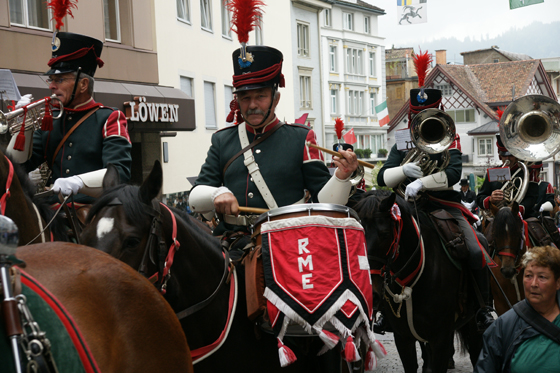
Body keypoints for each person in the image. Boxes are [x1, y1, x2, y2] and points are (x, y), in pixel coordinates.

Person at [189, 46, 358, 237]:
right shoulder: (222, 140)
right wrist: (216, 194)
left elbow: (324, 201)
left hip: (287, 242)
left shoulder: (301, 138)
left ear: (275, 98)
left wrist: (341, 177)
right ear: (237, 101)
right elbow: (195, 196)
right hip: (232, 241)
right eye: (245, 98)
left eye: (261, 96)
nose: (252, 105)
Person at [376, 87, 495, 332]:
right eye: (418, 113)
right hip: (408, 206)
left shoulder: (451, 136)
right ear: (411, 113)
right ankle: (381, 309)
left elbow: (454, 174)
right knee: (381, 245)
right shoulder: (401, 138)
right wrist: (403, 171)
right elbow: (381, 177)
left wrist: (423, 182)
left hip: (444, 204)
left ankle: (484, 307)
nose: (423, 119)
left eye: (429, 113)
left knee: (474, 247)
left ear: (439, 110)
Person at [6, 32, 132, 205]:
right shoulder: (50, 119)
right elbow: (16, 168)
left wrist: (80, 183)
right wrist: (24, 125)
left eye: (60, 79)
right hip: (56, 211)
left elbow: (118, 173)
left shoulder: (110, 118)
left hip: (96, 212)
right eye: (51, 79)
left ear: (83, 84)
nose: (51, 85)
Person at [474, 245, 560, 372]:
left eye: (542, 277)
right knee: (479, 247)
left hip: (534, 225)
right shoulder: (502, 327)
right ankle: (483, 305)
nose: (533, 284)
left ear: (558, 283)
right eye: (528, 276)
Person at [476, 135, 554, 219]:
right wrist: (490, 199)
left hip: (523, 216)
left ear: (516, 155)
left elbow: (532, 198)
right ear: (500, 156)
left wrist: (517, 210)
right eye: (504, 155)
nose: (507, 158)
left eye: (511, 155)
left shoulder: (528, 172)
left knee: (538, 231)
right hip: (496, 217)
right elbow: (480, 197)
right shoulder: (493, 172)